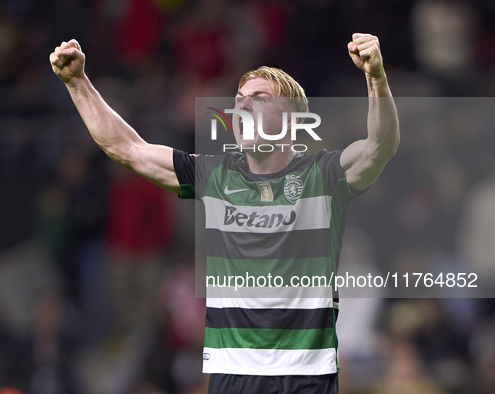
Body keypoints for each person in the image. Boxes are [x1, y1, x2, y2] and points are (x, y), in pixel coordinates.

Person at [50, 33, 399, 394]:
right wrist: (77, 83)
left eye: (260, 99)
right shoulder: (215, 176)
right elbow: (128, 149)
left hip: (305, 377)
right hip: (233, 378)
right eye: (239, 100)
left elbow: (379, 148)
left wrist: (375, 76)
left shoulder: (322, 176)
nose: (243, 106)